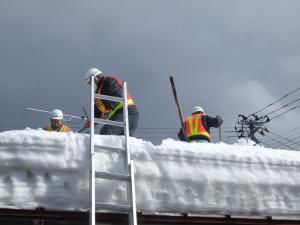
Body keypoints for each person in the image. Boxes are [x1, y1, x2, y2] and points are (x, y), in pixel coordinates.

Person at [84, 67, 139, 136]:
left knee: (106, 133)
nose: (90, 85)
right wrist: (92, 122)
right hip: (119, 115)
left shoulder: (108, 81)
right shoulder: (98, 95)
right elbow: (98, 112)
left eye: (90, 83)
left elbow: (116, 95)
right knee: (121, 141)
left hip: (127, 112)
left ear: (95, 78)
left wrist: (108, 109)